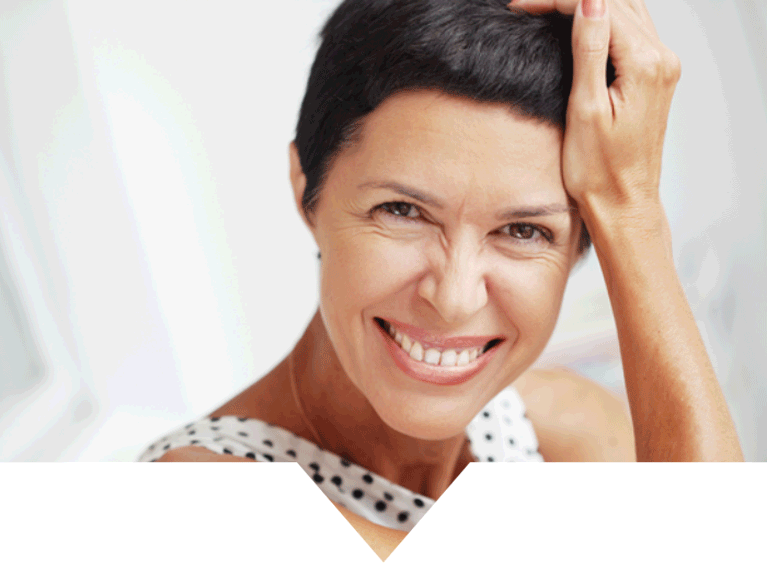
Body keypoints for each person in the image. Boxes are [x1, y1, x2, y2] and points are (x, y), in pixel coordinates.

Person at [139, 0, 743, 557]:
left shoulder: (564, 426)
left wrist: (631, 211)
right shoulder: (198, 499)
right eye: (402, 211)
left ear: (586, 240)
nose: (454, 299)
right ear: (306, 192)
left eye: (523, 230)